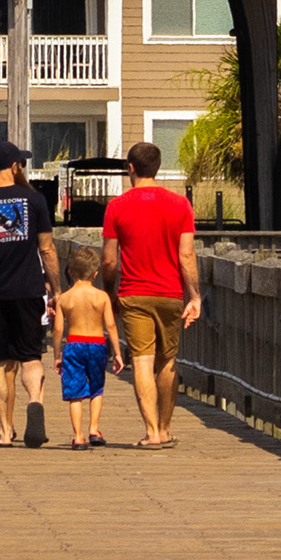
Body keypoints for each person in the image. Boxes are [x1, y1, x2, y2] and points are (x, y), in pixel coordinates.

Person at [100, 139, 200, 449]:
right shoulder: (180, 205)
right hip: (170, 293)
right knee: (168, 360)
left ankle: (152, 431)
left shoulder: (116, 207)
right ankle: (167, 429)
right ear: (156, 167)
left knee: (142, 362)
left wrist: (109, 293)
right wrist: (194, 296)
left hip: (133, 293)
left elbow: (108, 260)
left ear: (130, 168)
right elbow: (186, 256)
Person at [0, 137, 58, 447]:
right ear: (15, 166)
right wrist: (56, 289)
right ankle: (35, 400)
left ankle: (5, 431)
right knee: (31, 357)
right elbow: (47, 248)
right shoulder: (35, 201)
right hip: (29, 290)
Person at [52, 245, 119, 448]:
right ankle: (93, 428)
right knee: (96, 388)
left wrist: (57, 354)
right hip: (97, 344)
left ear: (71, 273)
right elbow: (111, 325)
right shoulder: (101, 297)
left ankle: (78, 435)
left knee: (75, 392)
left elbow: (57, 330)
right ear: (95, 273)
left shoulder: (64, 298)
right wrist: (117, 352)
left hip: (74, 344)